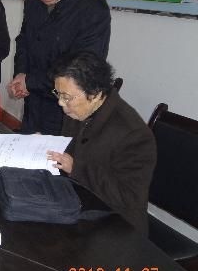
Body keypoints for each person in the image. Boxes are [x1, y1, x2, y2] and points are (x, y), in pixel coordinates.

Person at [46, 51, 156, 234]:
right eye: (58, 94)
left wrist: (76, 168)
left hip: (117, 226)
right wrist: (46, 143)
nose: (61, 103)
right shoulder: (78, 110)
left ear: (95, 94)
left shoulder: (133, 134)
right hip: (78, 204)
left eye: (66, 97)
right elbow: (70, 150)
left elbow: (128, 198)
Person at [7, 0, 111, 135]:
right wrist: (21, 74)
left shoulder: (92, 7)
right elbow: (24, 39)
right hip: (34, 99)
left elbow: (83, 67)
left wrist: (30, 81)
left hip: (68, 106)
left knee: (57, 152)